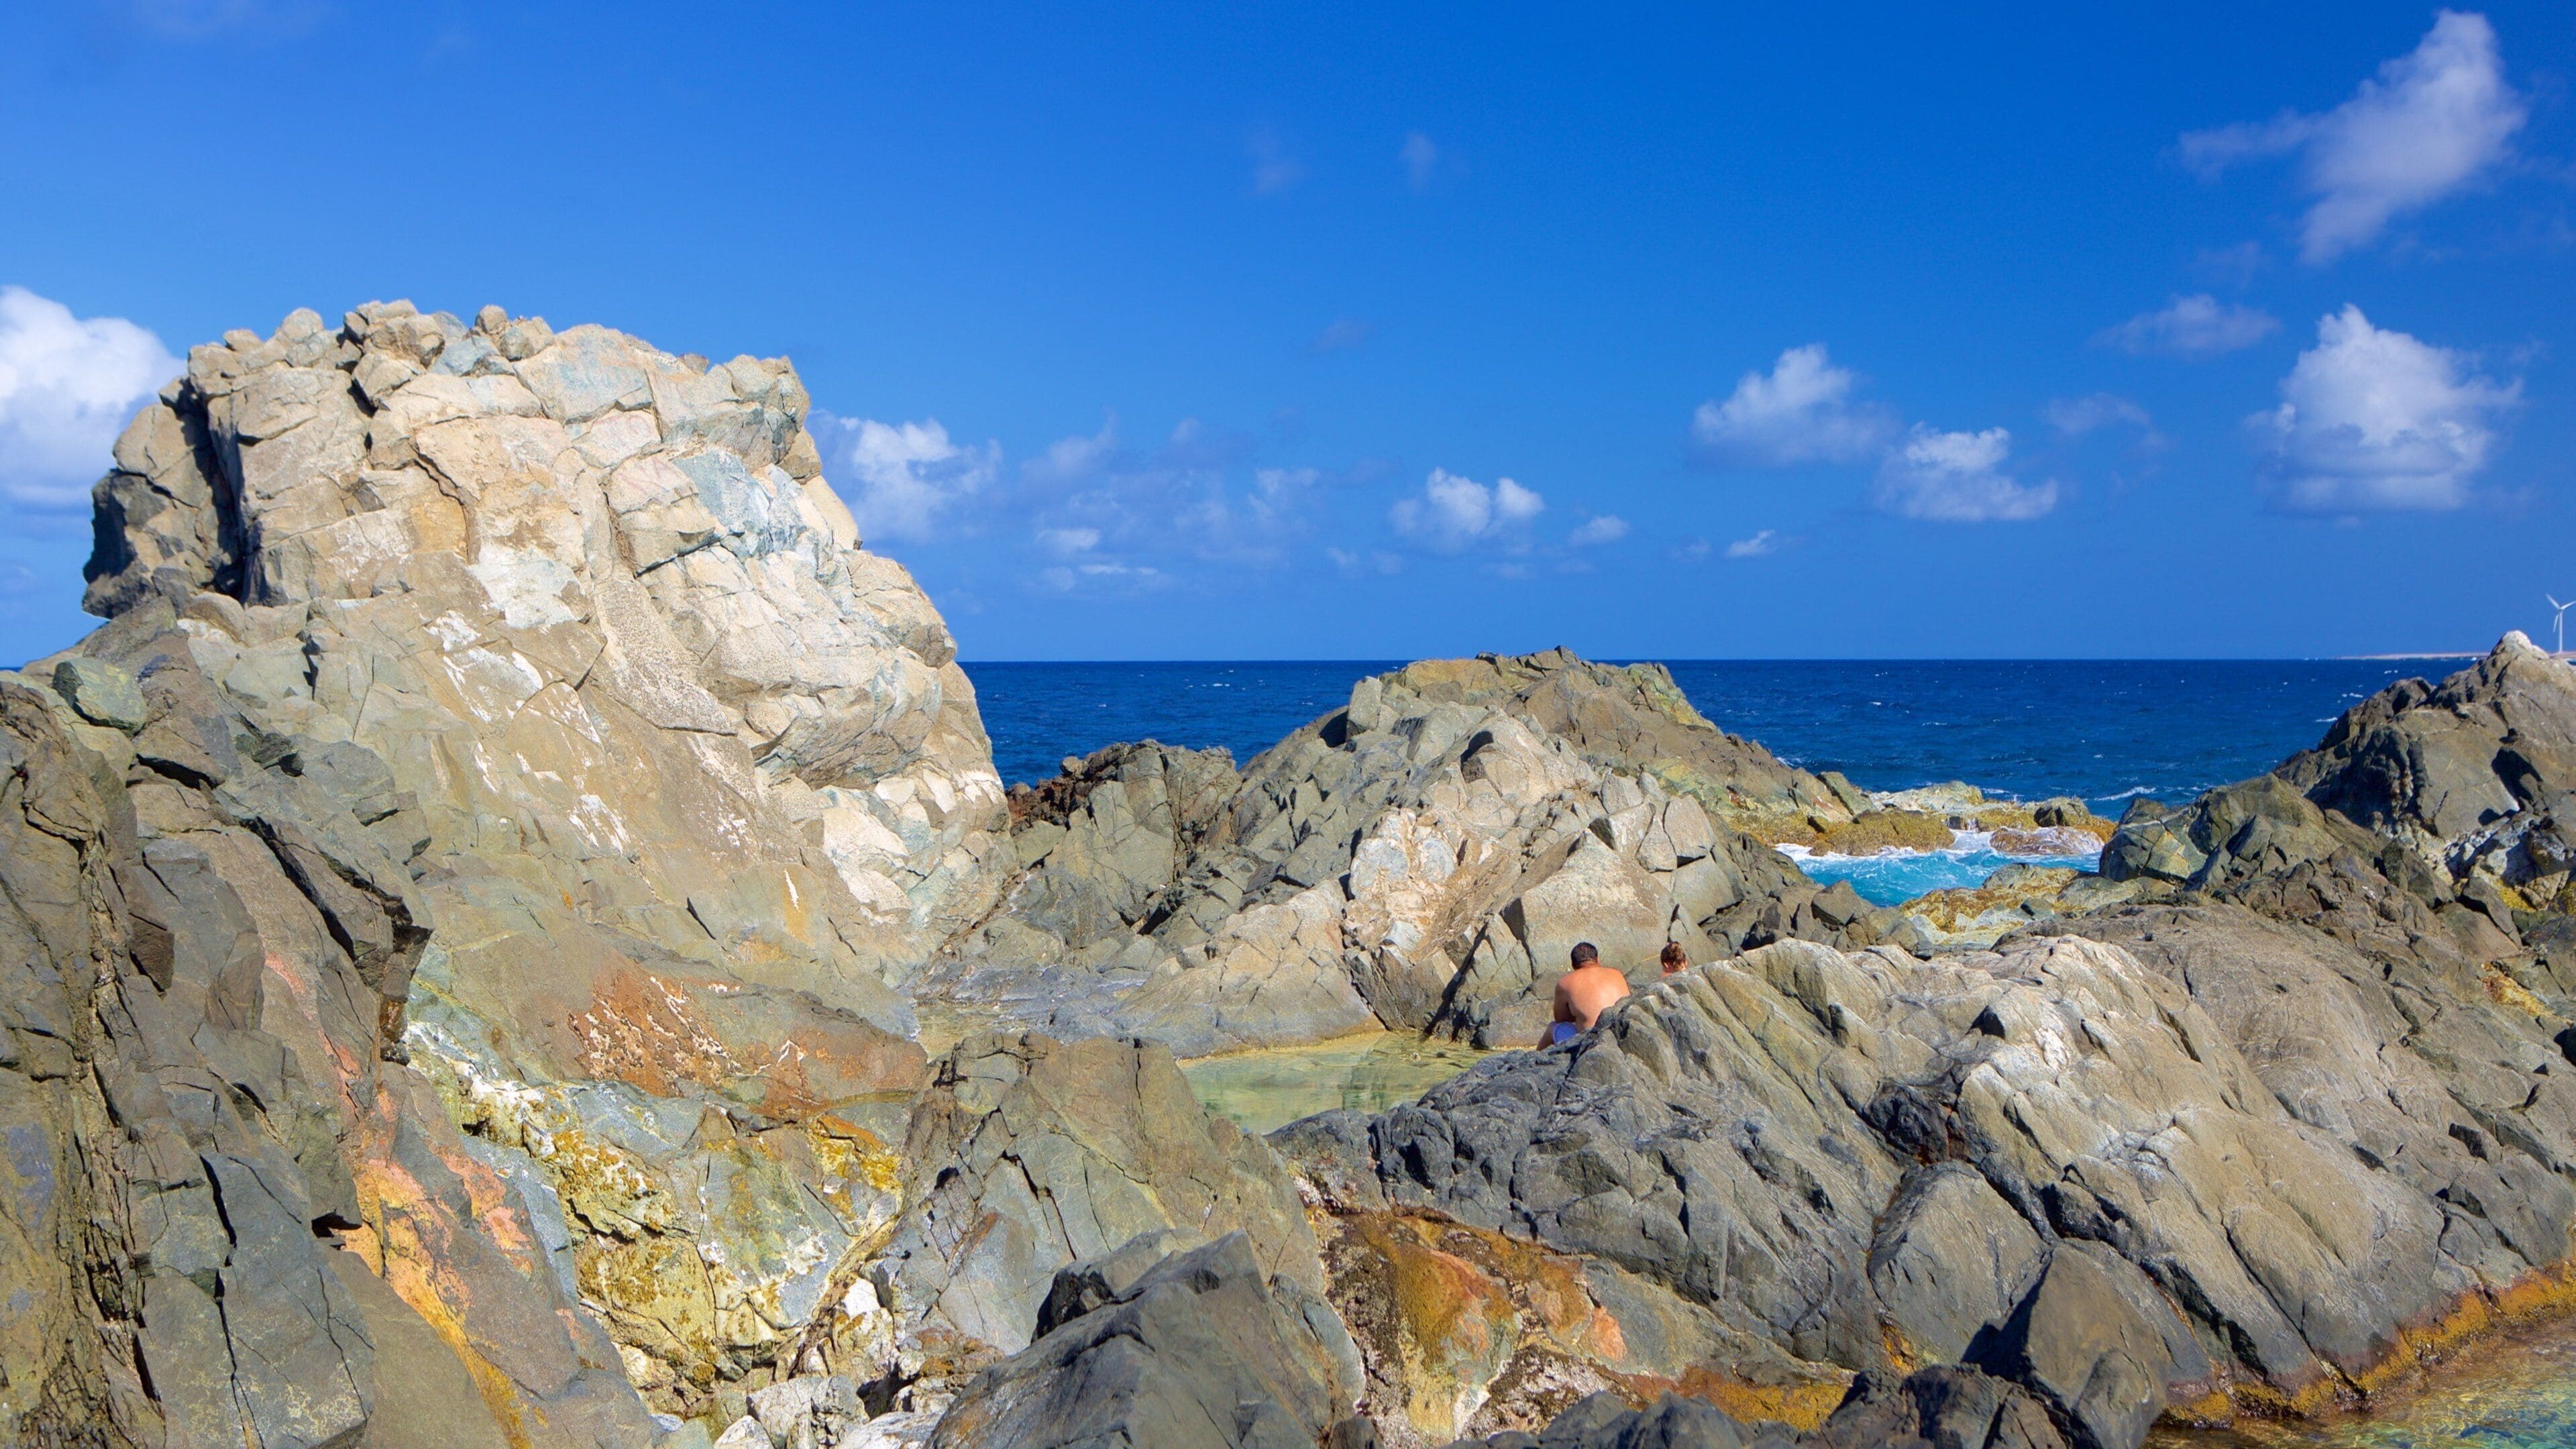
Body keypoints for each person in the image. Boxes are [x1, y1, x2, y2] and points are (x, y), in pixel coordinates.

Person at [1546, 942, 1630, 1046]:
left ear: (1573, 965)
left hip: (1591, 1041)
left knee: (1552, 1027)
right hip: (1622, 1033)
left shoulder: (1564, 983)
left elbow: (1561, 1020)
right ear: (1598, 959)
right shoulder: (1617, 973)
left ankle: (1535, 1060)